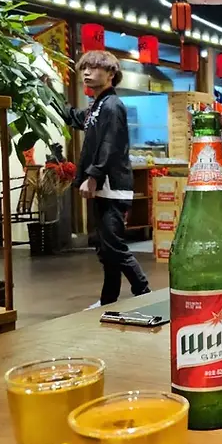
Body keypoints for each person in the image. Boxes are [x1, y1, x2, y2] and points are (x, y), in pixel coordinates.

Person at [60, 50, 150, 309]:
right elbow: (76, 118)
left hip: (112, 187)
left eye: (94, 68)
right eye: (84, 68)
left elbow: (109, 145)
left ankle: (144, 292)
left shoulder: (112, 106)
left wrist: (93, 175)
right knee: (105, 248)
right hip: (103, 188)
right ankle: (109, 299)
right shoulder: (98, 105)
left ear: (111, 74)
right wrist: (48, 94)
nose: (87, 73)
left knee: (114, 246)